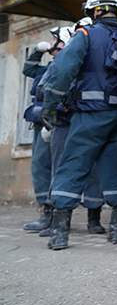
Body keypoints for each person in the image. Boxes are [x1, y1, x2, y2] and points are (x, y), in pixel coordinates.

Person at [41, 0, 117, 250]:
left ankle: (60, 233)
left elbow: (62, 71)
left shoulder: (85, 35)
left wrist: (50, 107)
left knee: (73, 166)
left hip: (90, 115)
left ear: (95, 12)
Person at [22, 29, 65, 233]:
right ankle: (45, 211)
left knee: (50, 167)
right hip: (41, 122)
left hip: (55, 122)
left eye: (55, 40)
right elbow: (28, 70)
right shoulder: (47, 68)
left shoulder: (65, 67)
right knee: (40, 166)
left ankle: (54, 214)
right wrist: (37, 52)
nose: (51, 43)